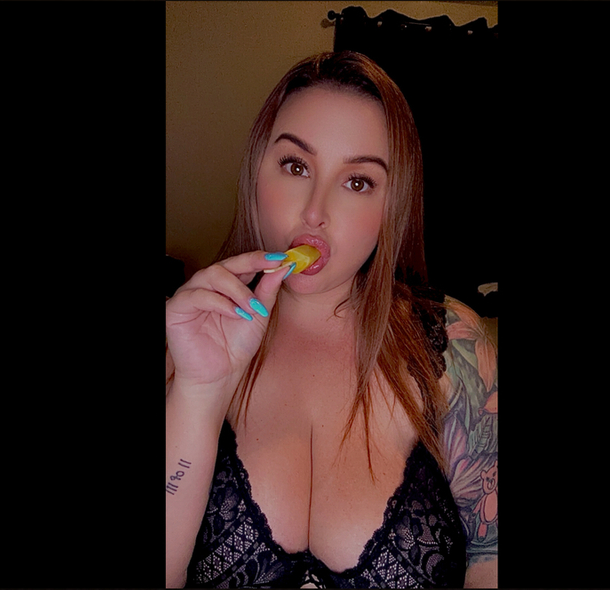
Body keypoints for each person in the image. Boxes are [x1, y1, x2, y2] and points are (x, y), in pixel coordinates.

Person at [165, 51, 498, 588]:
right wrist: (198, 394)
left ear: (393, 204)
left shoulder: (453, 343)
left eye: (358, 181)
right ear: (257, 170)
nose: (315, 211)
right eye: (296, 166)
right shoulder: (187, 340)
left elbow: (491, 556)